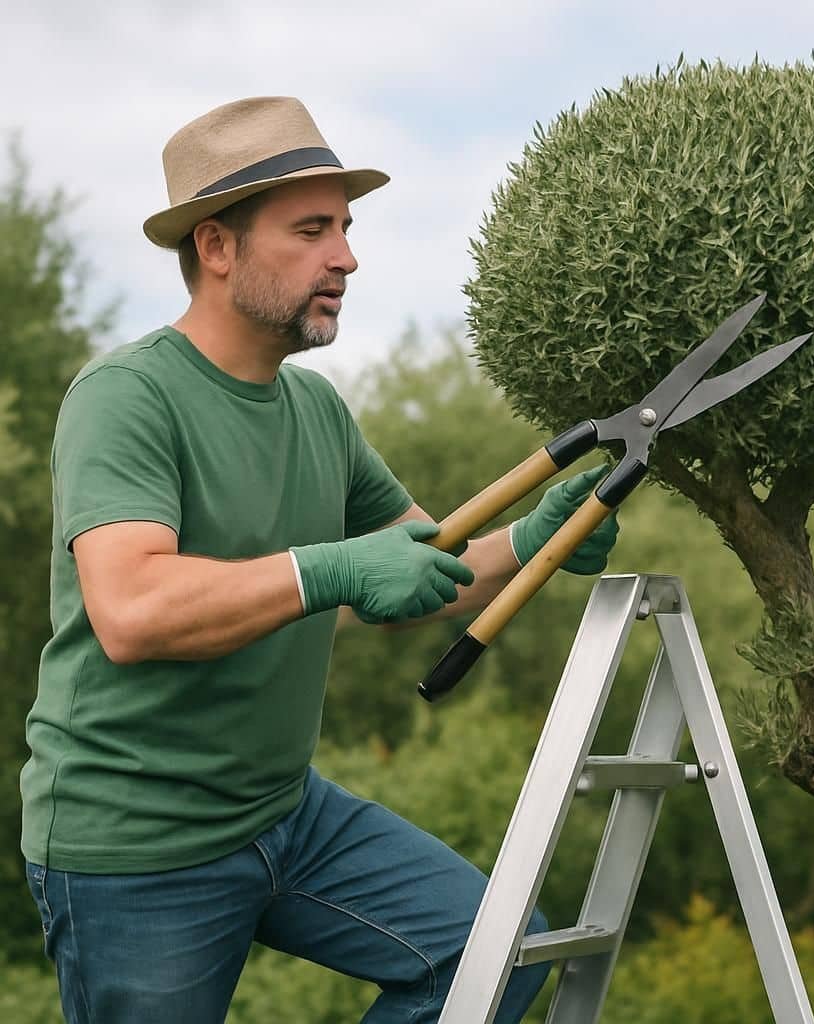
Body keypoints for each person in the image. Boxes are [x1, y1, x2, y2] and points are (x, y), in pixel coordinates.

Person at [18, 96, 619, 1023]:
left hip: (284, 814)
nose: (345, 256)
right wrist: (329, 568)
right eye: (311, 230)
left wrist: (535, 540)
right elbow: (130, 611)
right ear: (216, 247)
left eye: (344, 226)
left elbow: (430, 570)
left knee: (486, 954)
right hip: (137, 848)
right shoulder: (125, 397)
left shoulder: (318, 412)